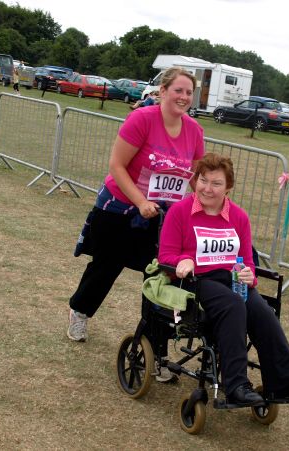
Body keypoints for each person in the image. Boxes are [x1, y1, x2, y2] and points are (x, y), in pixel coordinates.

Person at [158, 152, 289, 406]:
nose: (207, 188)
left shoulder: (239, 217)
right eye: (203, 180)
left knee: (262, 311)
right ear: (195, 180)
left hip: (232, 281)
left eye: (216, 183)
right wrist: (181, 262)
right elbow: (166, 256)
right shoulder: (180, 212)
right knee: (232, 304)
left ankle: (288, 380)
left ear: (228, 187)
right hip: (197, 282)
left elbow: (247, 260)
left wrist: (249, 274)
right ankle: (236, 385)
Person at [67, 67, 204, 352]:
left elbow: (196, 176)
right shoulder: (142, 118)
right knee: (105, 267)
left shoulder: (195, 131)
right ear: (163, 91)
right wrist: (140, 202)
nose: (184, 96)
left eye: (189, 92)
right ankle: (80, 312)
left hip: (165, 217)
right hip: (120, 209)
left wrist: (206, 204)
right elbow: (117, 165)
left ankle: (156, 346)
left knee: (161, 277)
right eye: (178, 90)